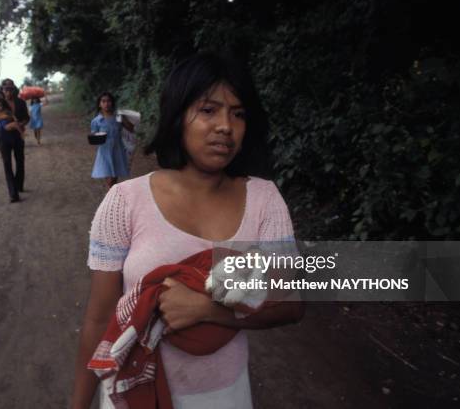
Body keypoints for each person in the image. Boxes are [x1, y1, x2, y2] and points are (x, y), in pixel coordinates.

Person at [71, 53, 304, 408]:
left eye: (238, 113)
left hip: (224, 396)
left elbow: (290, 304)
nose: (225, 125)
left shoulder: (263, 199)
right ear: (178, 116)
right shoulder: (125, 201)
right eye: (208, 110)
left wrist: (208, 310)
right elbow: (99, 317)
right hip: (132, 396)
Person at [90, 92, 135, 189]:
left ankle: (112, 197)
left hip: (117, 151)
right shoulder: (96, 121)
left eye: (109, 101)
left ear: (112, 103)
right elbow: (93, 136)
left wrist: (124, 120)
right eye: (103, 101)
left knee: (114, 180)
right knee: (110, 181)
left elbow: (131, 129)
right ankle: (112, 198)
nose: (106, 103)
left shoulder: (118, 117)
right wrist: (96, 137)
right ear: (99, 104)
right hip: (104, 152)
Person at [0, 97, 24, 203]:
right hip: (3, 140)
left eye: (0, 105)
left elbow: (16, 121)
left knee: (20, 161)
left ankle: (18, 185)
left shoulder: (8, 113)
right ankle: (13, 194)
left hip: (15, 138)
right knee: (7, 165)